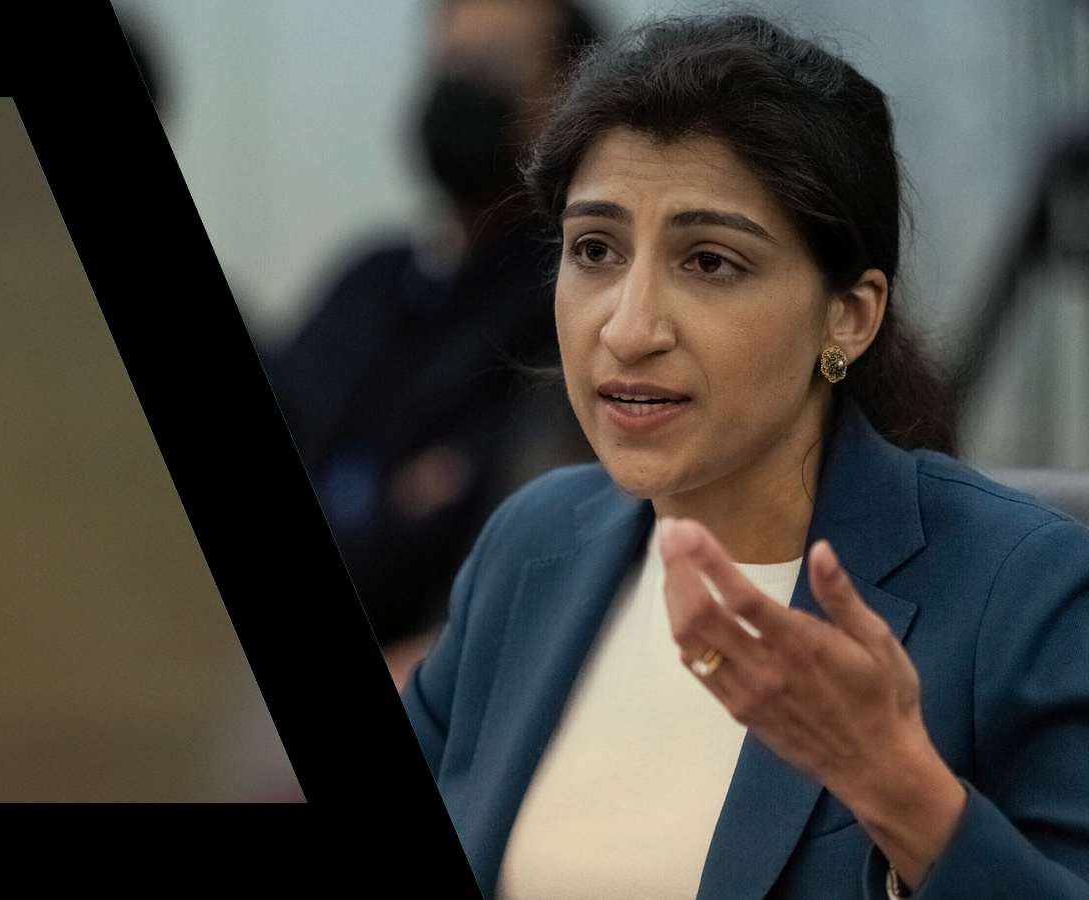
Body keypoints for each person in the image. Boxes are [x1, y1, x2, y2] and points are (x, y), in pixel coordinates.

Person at [401, 15, 1089, 898]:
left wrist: (905, 797)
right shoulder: (530, 545)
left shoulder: (1025, 592)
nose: (628, 327)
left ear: (850, 317)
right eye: (596, 250)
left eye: (711, 262)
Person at [267, 0, 599, 684]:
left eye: (494, 66)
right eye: (450, 63)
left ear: (571, 102)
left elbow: (489, 540)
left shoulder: (570, 304)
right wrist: (395, 505)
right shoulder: (366, 281)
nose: (461, 86)